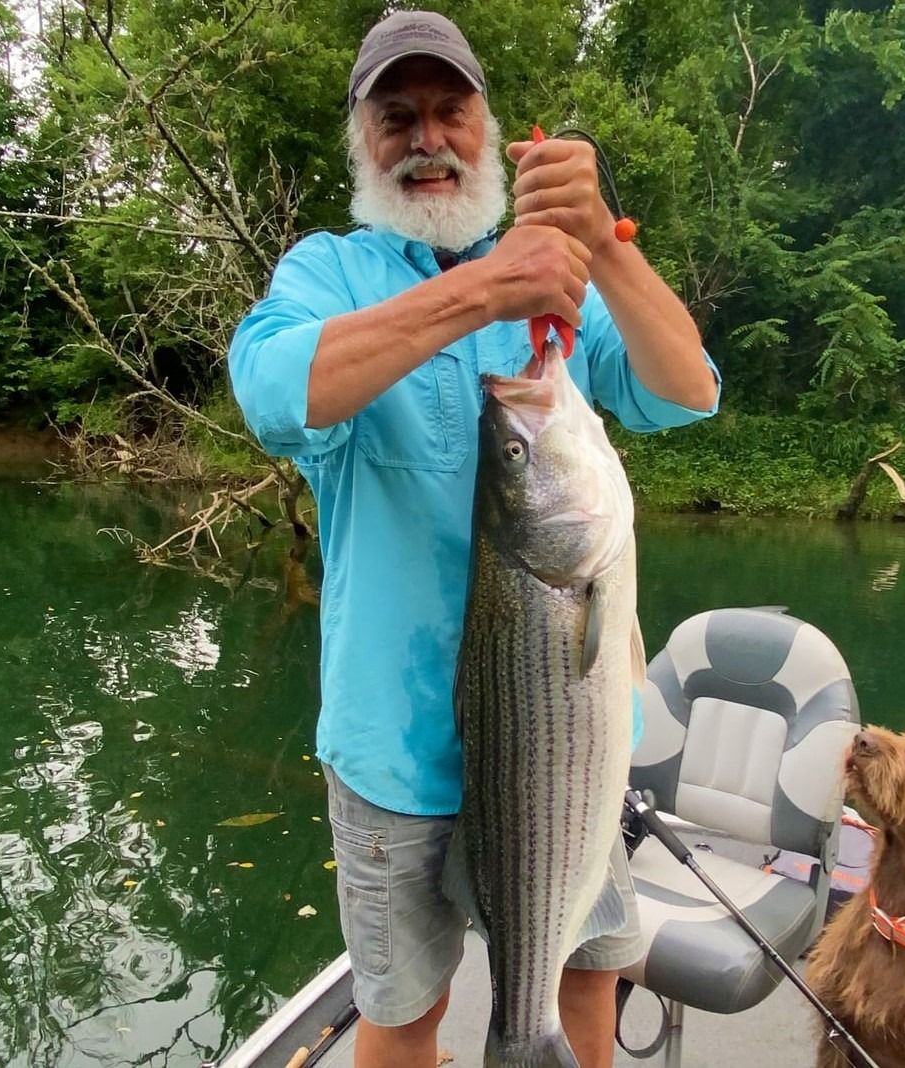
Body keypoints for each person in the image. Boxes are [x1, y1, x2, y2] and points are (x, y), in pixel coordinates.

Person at [227, 11, 721, 1068]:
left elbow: (686, 391)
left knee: (585, 975)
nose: (427, 137)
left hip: (567, 751)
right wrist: (481, 290)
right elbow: (274, 393)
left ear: (488, 128)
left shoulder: (549, 280)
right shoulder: (328, 274)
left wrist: (600, 248)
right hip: (393, 756)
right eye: (395, 115)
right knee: (400, 1016)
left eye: (450, 110)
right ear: (359, 139)